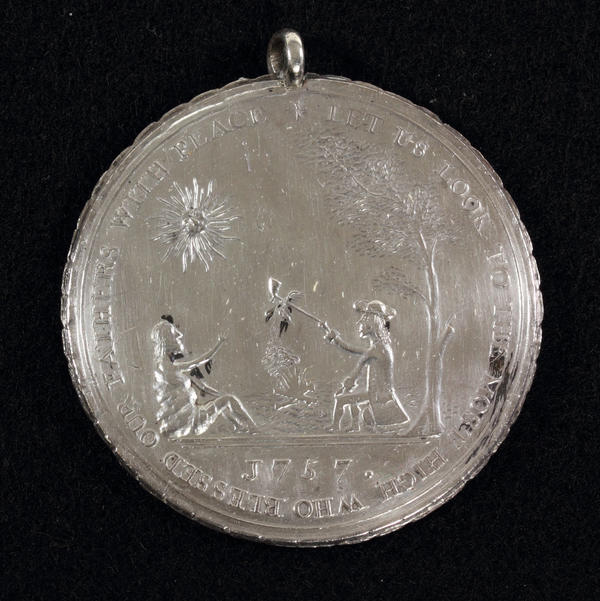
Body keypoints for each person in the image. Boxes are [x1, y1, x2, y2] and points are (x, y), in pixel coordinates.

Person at [151, 315, 254, 438]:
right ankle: (254, 429)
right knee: (228, 400)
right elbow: (202, 360)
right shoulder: (172, 368)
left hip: (184, 418)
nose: (179, 335)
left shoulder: (163, 367)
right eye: (174, 334)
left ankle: (240, 427)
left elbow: (203, 388)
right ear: (167, 339)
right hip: (191, 420)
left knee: (224, 401)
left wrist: (218, 395)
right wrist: (219, 343)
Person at [322, 300, 409, 432]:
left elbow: (356, 361)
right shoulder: (381, 347)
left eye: (364, 320)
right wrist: (334, 338)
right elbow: (357, 352)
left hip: (376, 396)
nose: (360, 323)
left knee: (340, 400)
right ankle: (354, 426)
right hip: (378, 394)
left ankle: (335, 428)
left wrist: (350, 381)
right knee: (351, 397)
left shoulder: (376, 349)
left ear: (371, 324)